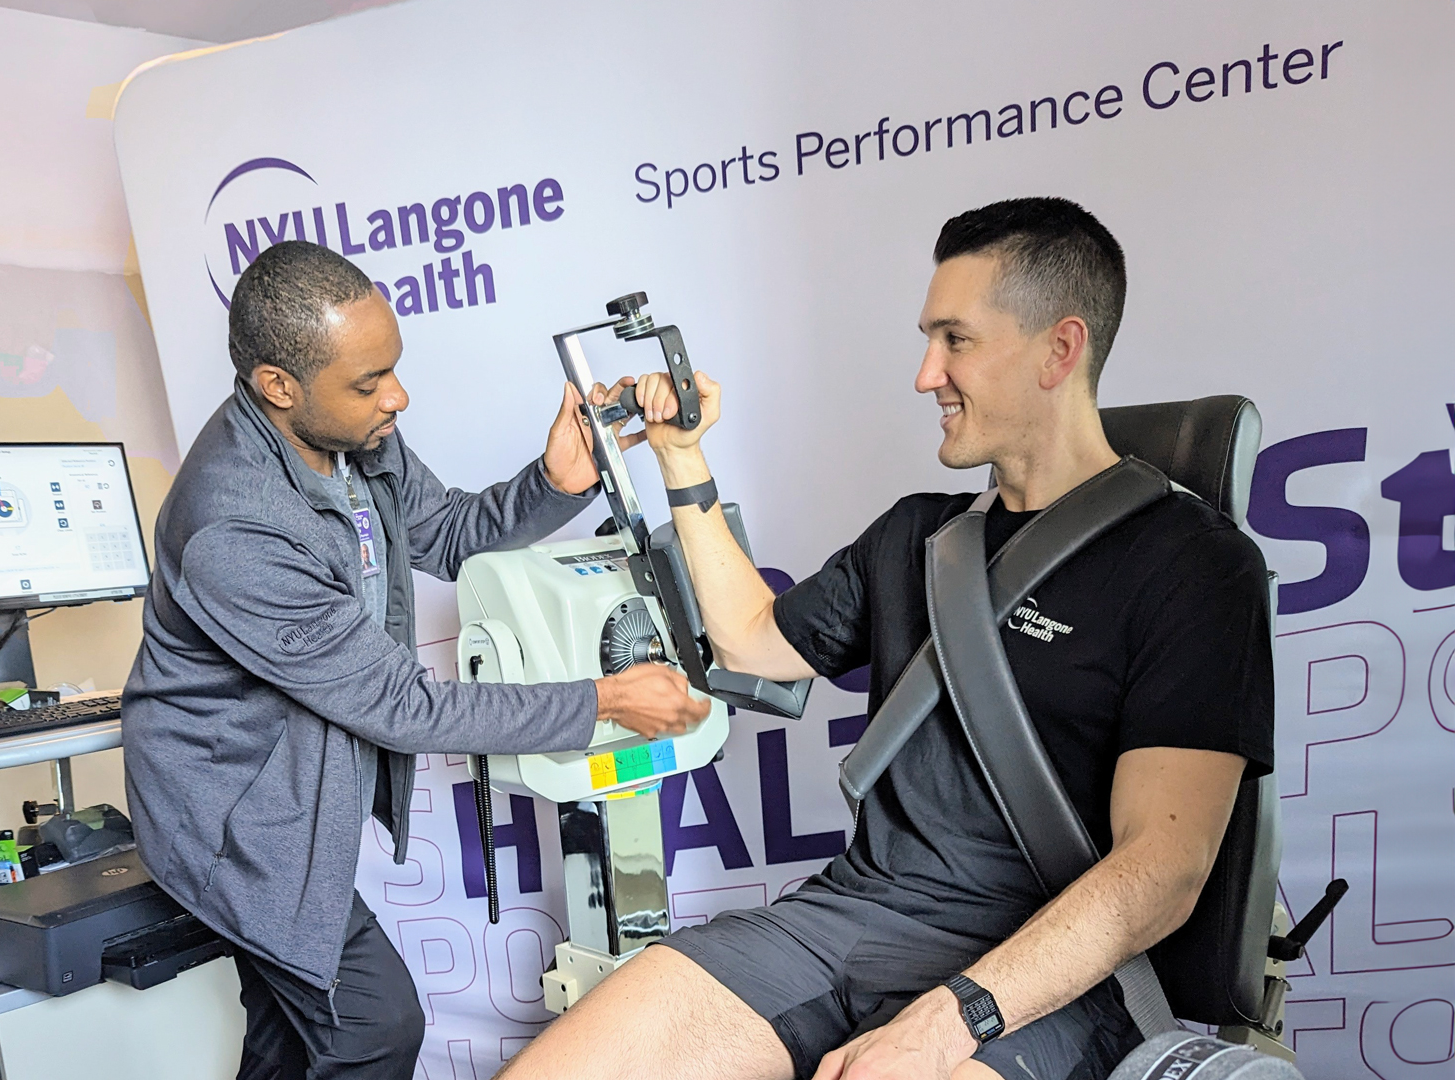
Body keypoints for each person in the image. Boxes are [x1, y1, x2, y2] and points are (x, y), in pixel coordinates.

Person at [499, 198, 1274, 1080]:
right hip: (853, 920)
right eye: (927, 339)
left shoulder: (1194, 565)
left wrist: (952, 1020)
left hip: (1057, 972)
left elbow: (1163, 868)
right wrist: (682, 457)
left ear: (1060, 349)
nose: (924, 374)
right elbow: (754, 645)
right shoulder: (919, 538)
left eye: (957, 341)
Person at [122, 240, 708, 1080]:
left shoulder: (350, 434)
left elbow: (448, 533)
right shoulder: (235, 531)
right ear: (277, 384)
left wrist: (555, 477)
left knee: (288, 1045)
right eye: (369, 383)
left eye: (391, 370)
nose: (398, 396)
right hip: (231, 824)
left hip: (294, 790)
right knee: (372, 1028)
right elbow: (407, 707)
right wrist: (606, 702)